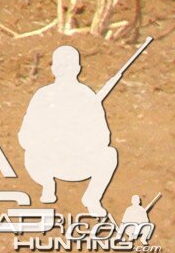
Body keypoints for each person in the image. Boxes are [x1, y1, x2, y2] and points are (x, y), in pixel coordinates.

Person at [20, 44, 122, 216]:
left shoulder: (87, 96)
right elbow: (25, 136)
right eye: (60, 65)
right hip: (48, 161)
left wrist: (79, 137)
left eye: (68, 65)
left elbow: (103, 137)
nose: (63, 69)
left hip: (78, 162)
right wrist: (49, 139)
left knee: (109, 154)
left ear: (77, 68)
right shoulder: (43, 96)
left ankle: (92, 198)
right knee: (30, 153)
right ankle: (47, 185)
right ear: (53, 68)